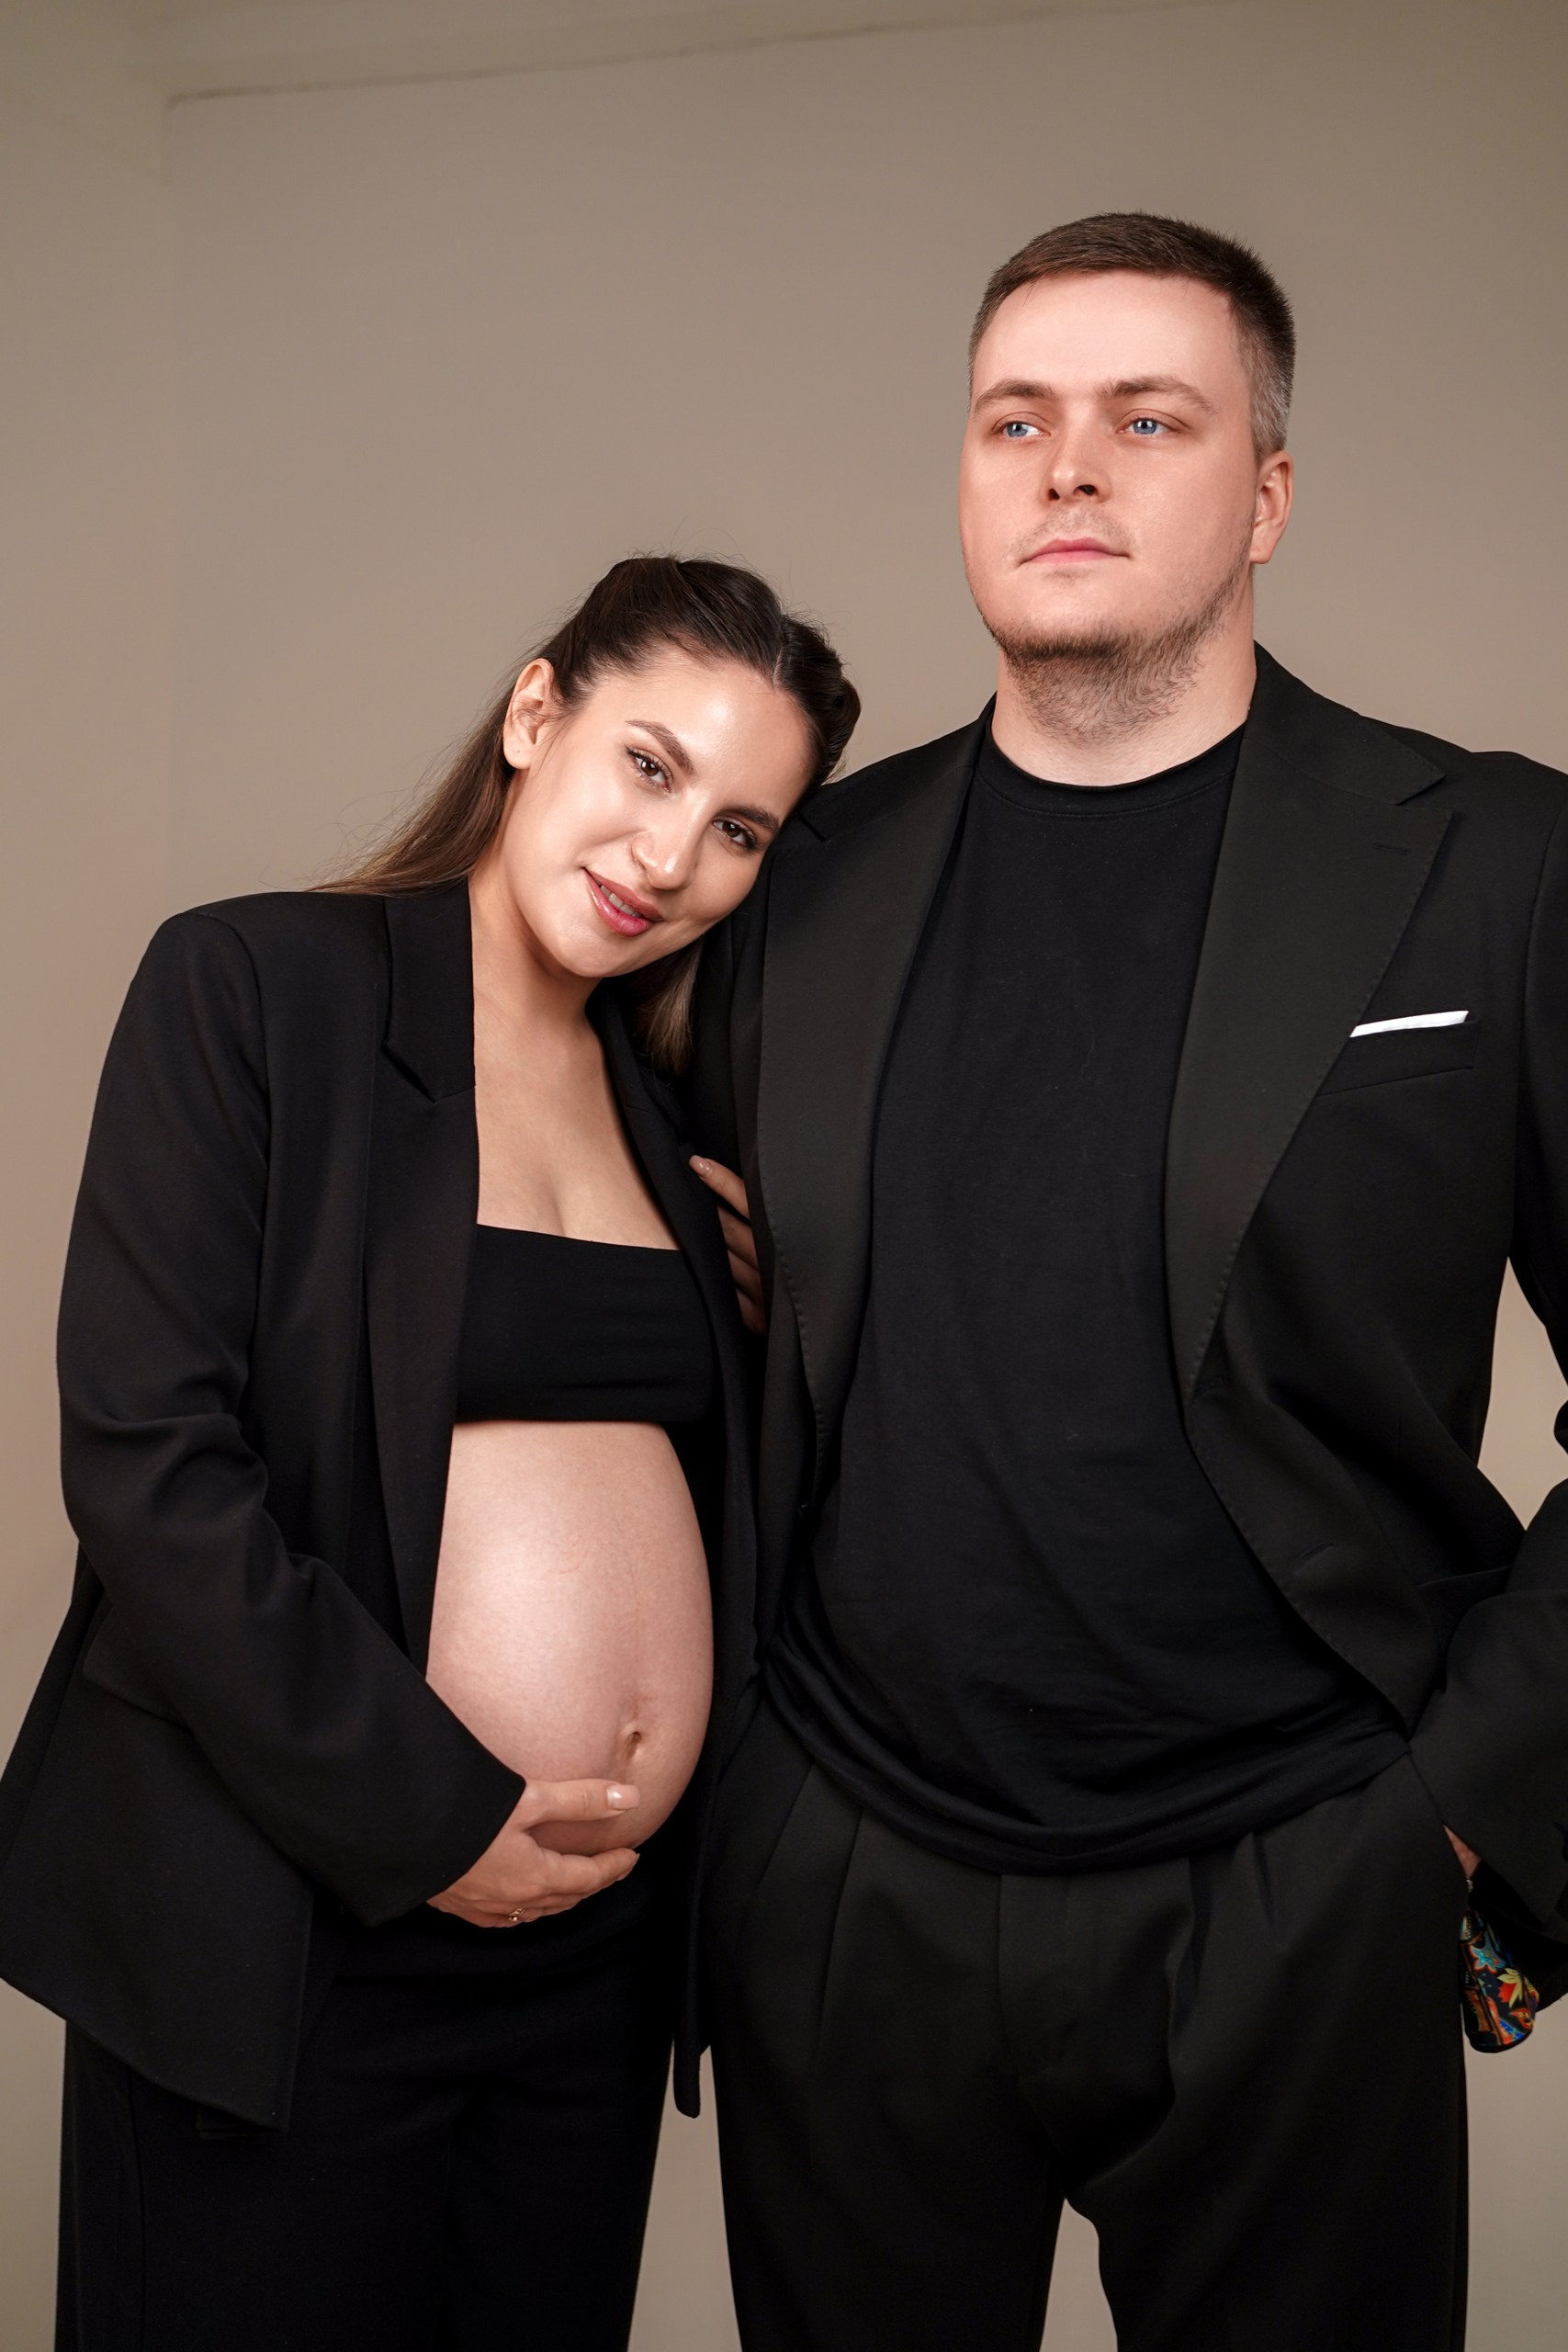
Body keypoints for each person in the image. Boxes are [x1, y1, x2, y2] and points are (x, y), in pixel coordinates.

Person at [689, 213, 1568, 2352]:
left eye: (1144, 419)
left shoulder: (1494, 861)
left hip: (1302, 1872)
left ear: (1263, 491)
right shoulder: (797, 881)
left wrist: (1458, 1811)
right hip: (848, 1877)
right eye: (1014, 420)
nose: (1065, 464)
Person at [0, 554, 858, 2352]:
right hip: (297, 1933)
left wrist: (778, 1322)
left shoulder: (677, 1112)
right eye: (648, 765)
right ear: (537, 713)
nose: (668, 856)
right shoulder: (256, 990)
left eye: (738, 830)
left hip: (590, 1973)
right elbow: (151, 1462)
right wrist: (432, 1816)